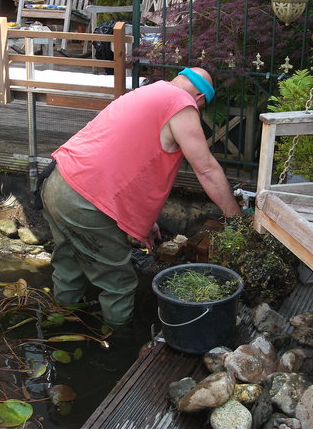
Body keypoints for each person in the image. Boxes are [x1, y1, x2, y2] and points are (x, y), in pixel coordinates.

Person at [40, 67, 242, 327]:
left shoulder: (148, 92)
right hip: (85, 201)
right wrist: (236, 218)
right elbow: (205, 169)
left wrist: (144, 221)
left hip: (58, 183)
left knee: (69, 264)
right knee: (118, 283)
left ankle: (60, 326)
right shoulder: (182, 103)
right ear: (200, 98)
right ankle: (118, 344)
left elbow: (130, 164)